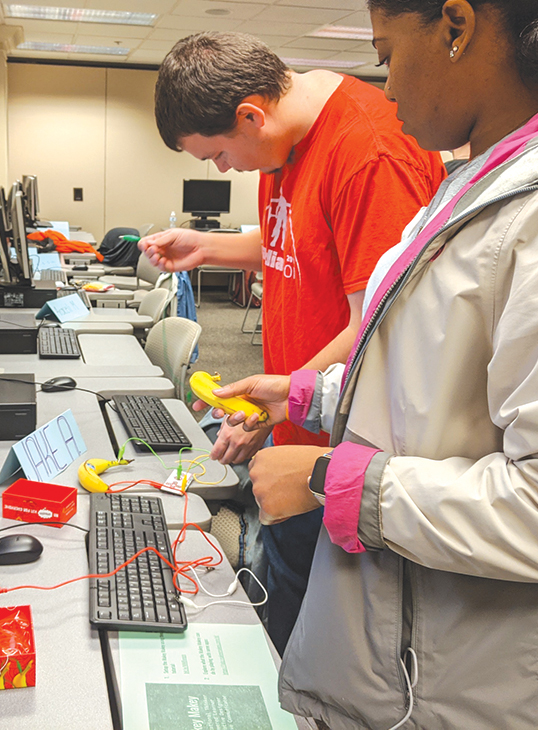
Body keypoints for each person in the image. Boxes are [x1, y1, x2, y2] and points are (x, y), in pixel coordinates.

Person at [203, 1, 538, 727]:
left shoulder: (525, 215)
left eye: (386, 56)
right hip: (402, 642)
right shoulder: (474, 182)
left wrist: (330, 479)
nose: (385, 89)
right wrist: (304, 396)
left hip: (466, 675)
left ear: (457, 24)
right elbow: (430, 381)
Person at [141, 31, 445, 653]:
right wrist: (212, 247)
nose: (225, 170)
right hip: (297, 423)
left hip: (343, 454)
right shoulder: (286, 139)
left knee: (315, 651)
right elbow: (301, 245)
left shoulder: (369, 153)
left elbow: (380, 325)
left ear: (250, 114)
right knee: (282, 616)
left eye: (221, 155)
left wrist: (277, 403)